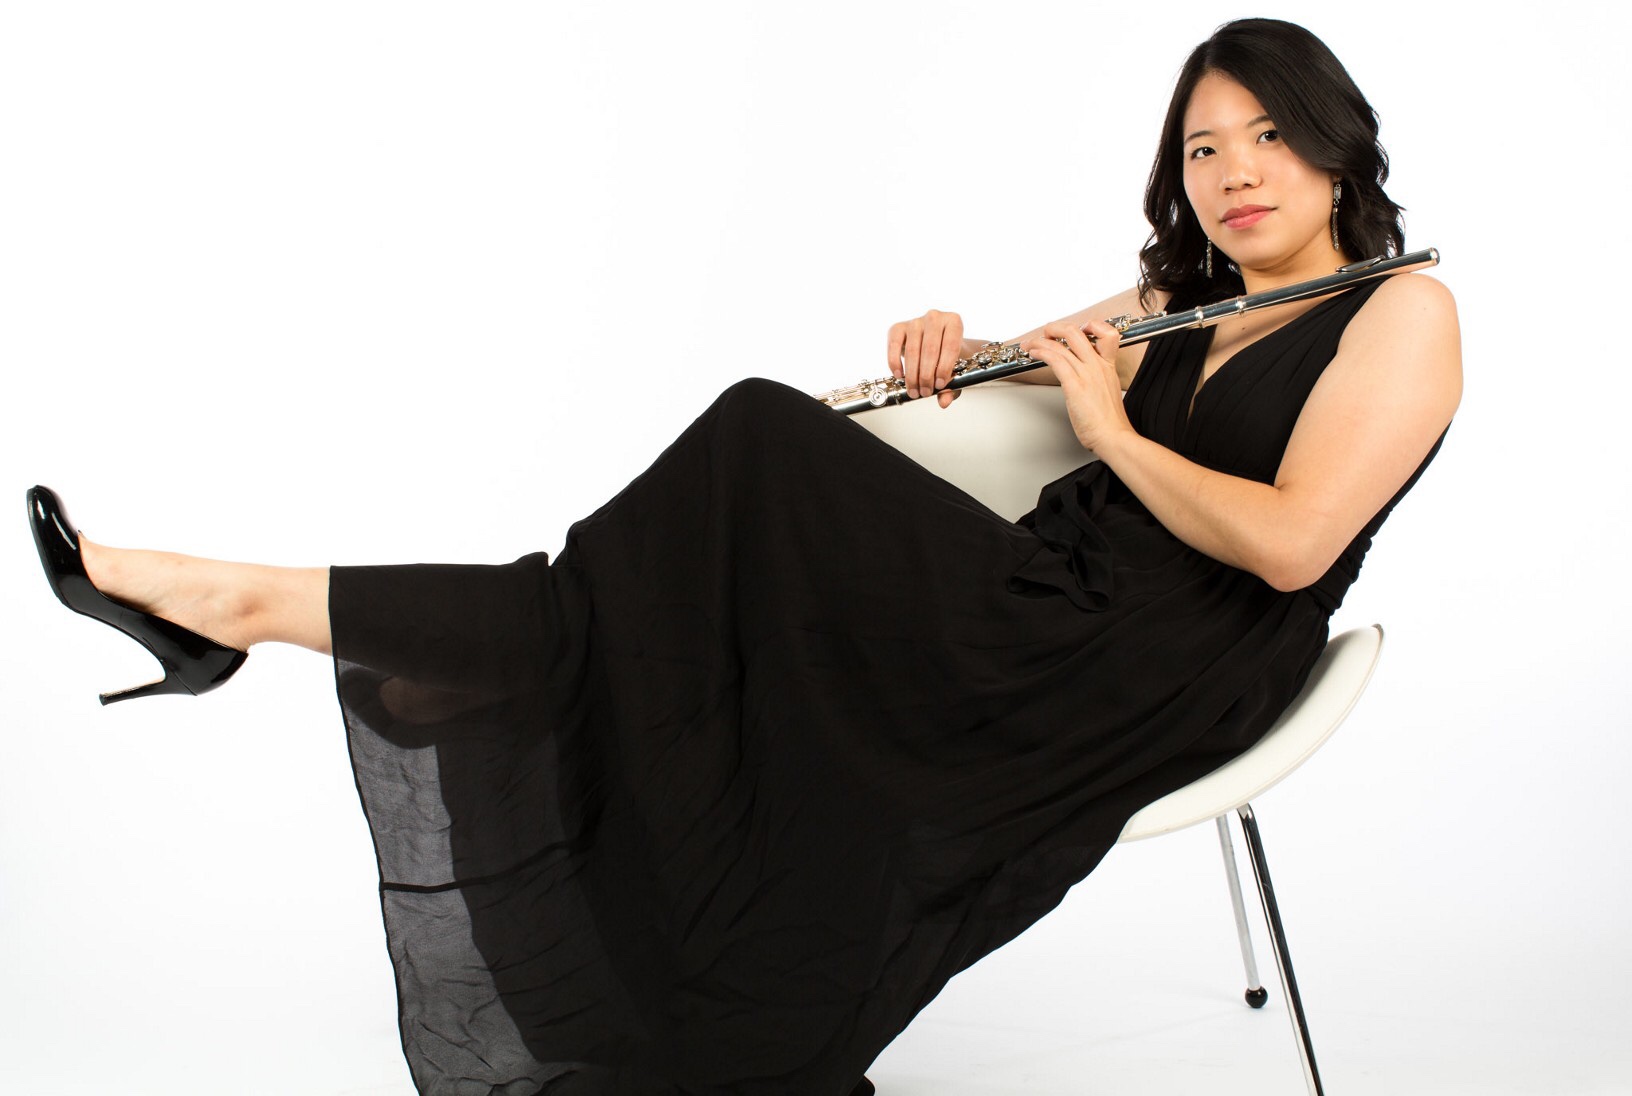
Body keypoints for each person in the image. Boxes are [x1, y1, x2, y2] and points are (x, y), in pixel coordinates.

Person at [26, 17, 1459, 1096]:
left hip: (1152, 663)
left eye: (1268, 136)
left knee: (755, 447)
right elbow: (1043, 366)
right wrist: (960, 348)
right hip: (1042, 591)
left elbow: (1291, 546)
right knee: (709, 538)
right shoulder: (1183, 297)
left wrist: (1108, 429)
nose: (1235, 172)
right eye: (1204, 148)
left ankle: (341, 629)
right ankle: (316, 610)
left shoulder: (1402, 313)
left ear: (1336, 146)